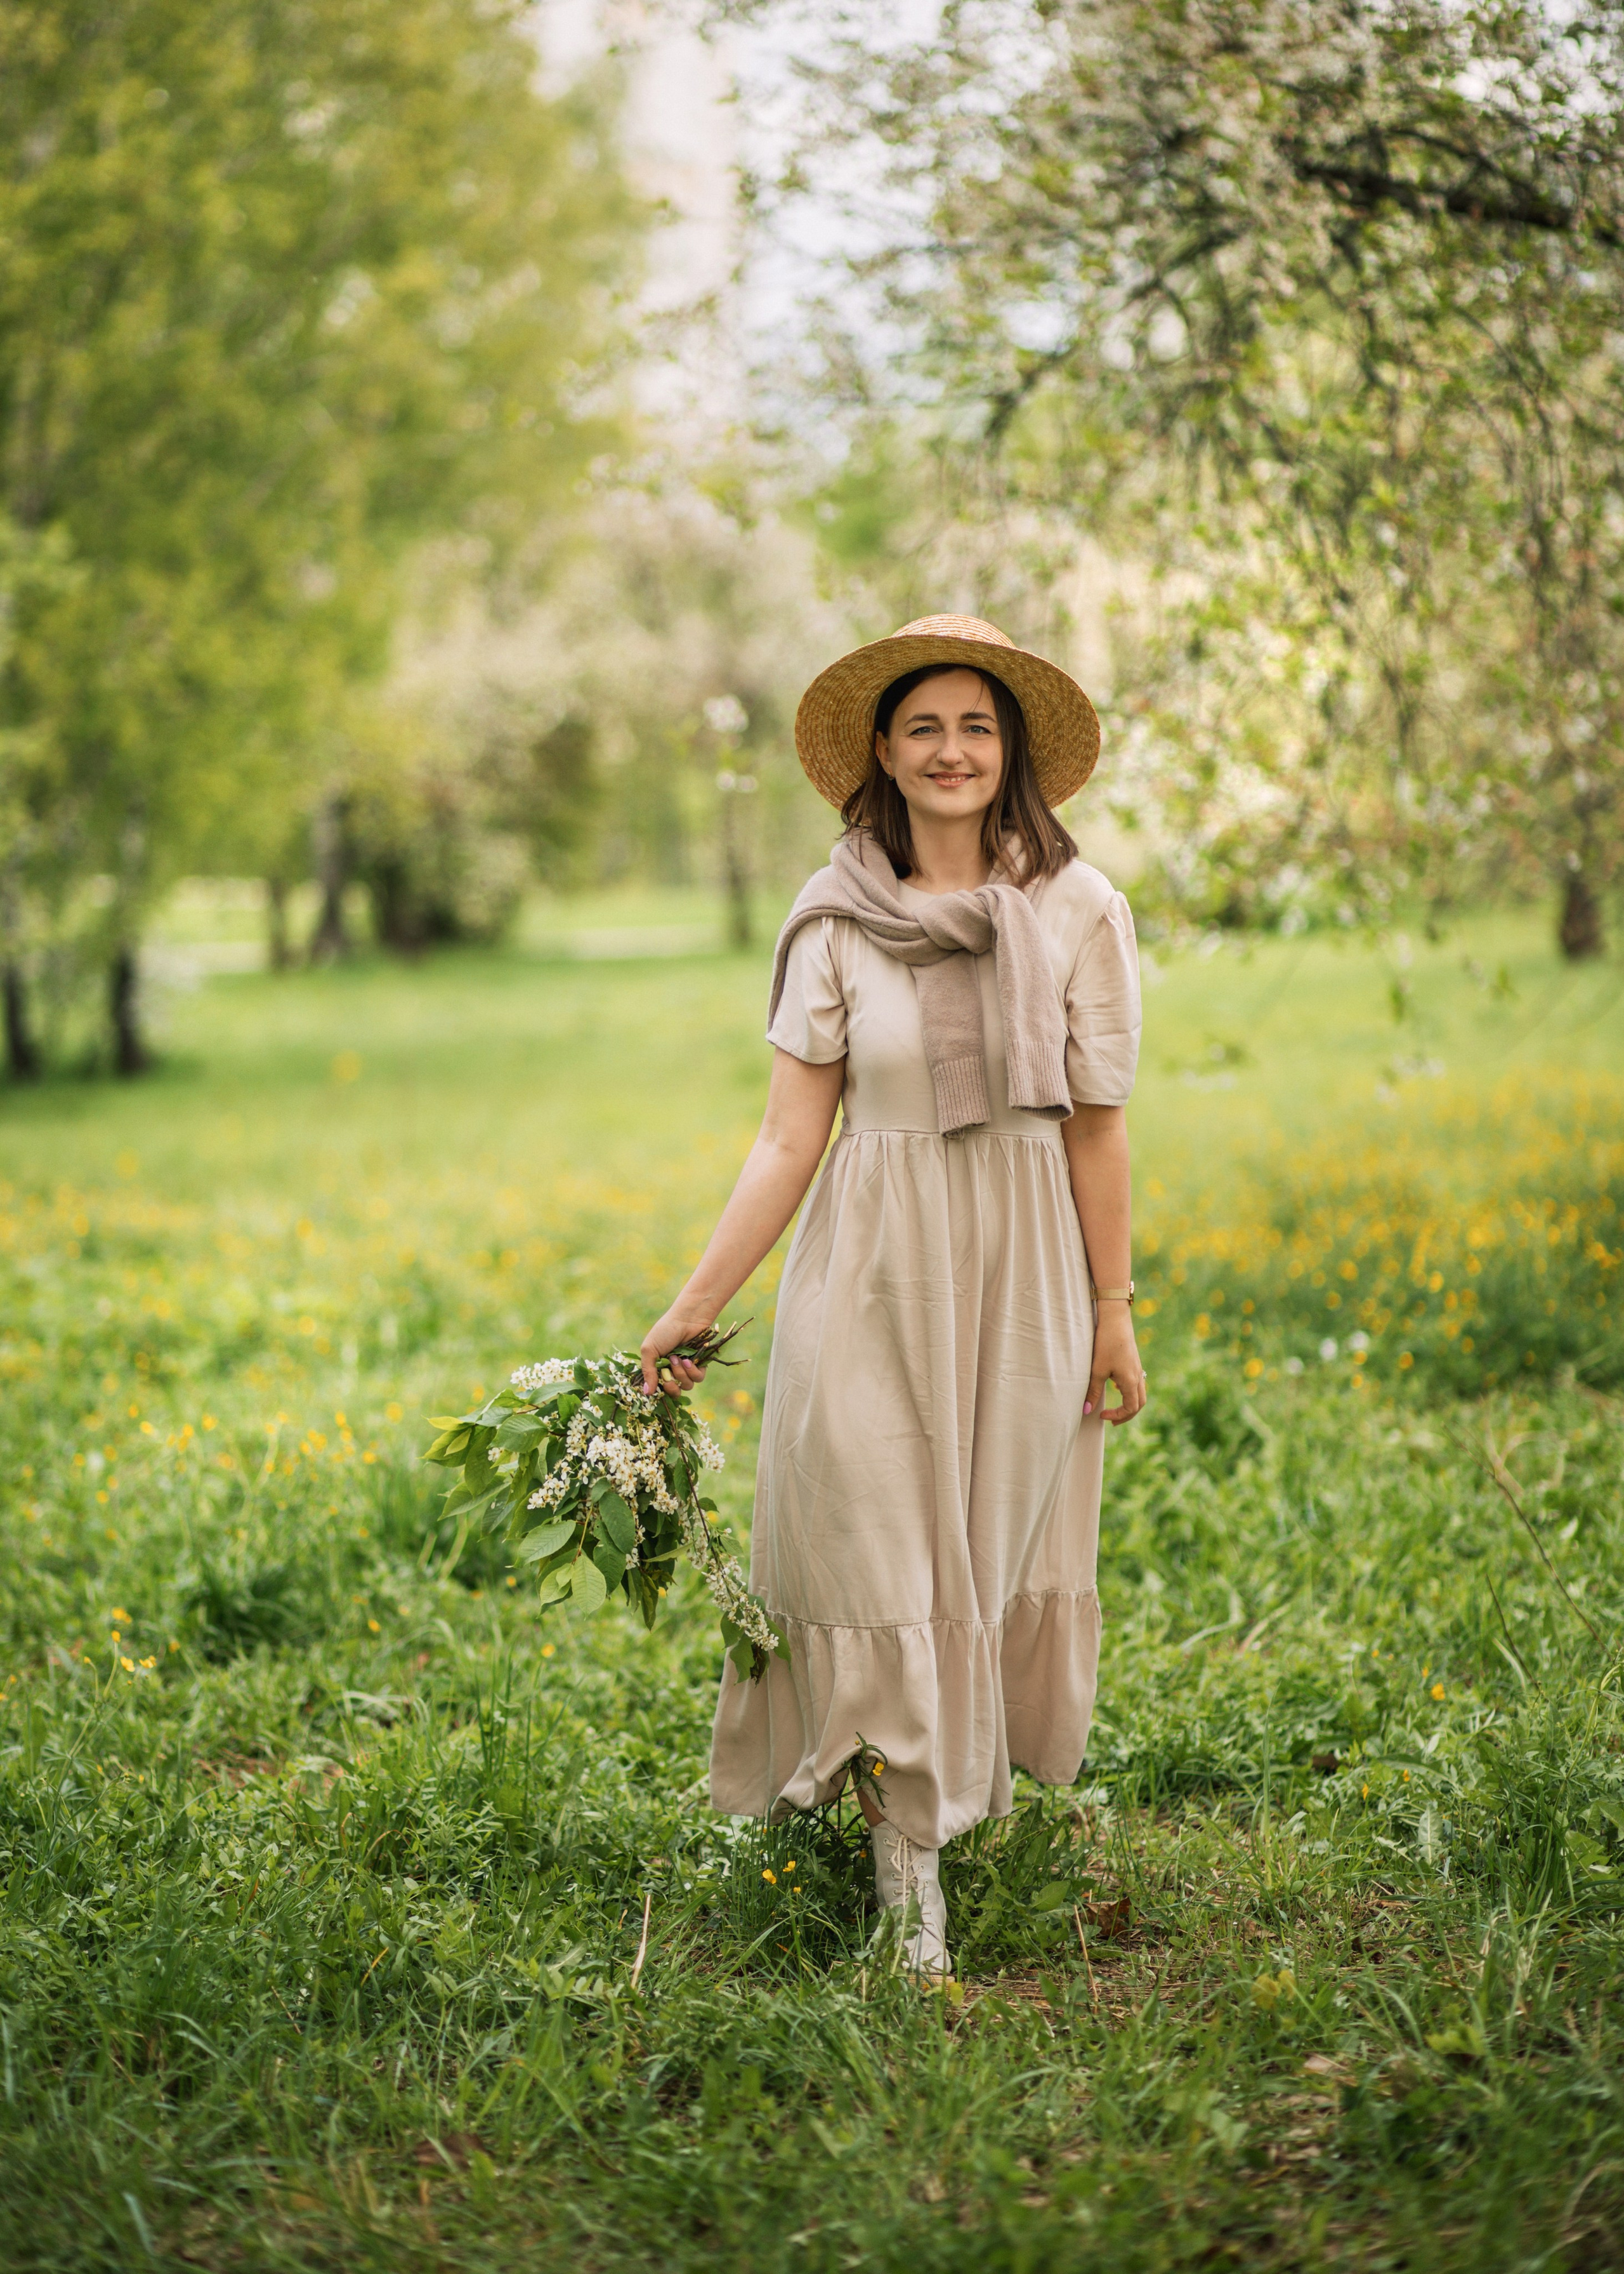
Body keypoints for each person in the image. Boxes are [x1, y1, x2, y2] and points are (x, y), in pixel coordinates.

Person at [640, 614, 1146, 1975]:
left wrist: (1114, 1306)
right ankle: (904, 1888)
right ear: (880, 749)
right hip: (866, 1264)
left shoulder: (1080, 912)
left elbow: (1095, 1126)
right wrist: (693, 1301)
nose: (949, 749)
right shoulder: (831, 919)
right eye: (922, 726)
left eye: (976, 726)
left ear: (1011, 750)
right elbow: (785, 1137)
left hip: (1022, 1262)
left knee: (974, 1548)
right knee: (868, 1543)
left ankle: (954, 1801)